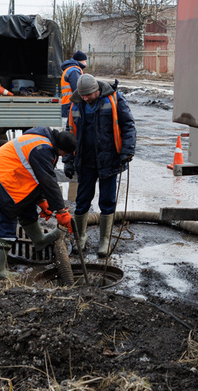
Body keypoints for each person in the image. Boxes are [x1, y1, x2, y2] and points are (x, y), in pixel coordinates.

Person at [0, 127, 76, 279]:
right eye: (65, 154)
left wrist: (41, 200)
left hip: (9, 175)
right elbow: (48, 180)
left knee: (27, 207)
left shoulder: (44, 140)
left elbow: (34, 175)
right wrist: (61, 211)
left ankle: (39, 240)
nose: (63, 157)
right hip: (2, 180)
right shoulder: (43, 149)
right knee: (6, 221)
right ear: (62, 149)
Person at [63, 74, 136, 258]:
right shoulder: (76, 104)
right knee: (82, 201)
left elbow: (128, 125)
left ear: (97, 90)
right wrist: (68, 160)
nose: (86, 98)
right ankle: (80, 237)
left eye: (88, 95)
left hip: (109, 159)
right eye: (83, 95)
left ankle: (104, 240)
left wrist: (127, 151)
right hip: (85, 161)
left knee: (107, 201)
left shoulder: (115, 99)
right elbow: (69, 133)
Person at [60, 51, 88, 119]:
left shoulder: (69, 69)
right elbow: (77, 90)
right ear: (80, 61)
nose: (86, 64)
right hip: (72, 104)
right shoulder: (74, 71)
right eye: (85, 61)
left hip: (67, 103)